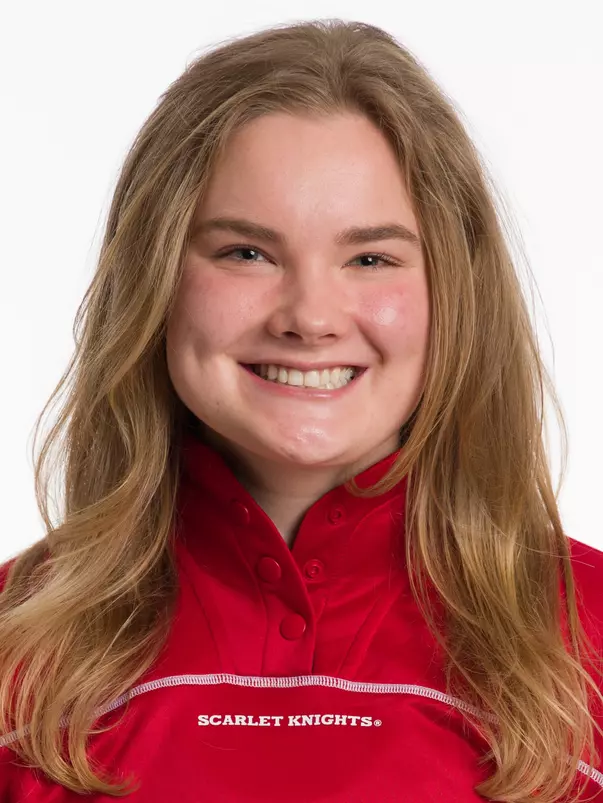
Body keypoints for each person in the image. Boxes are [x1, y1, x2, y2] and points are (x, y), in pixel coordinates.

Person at [0, 18, 602, 803]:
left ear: (455, 291)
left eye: (370, 258)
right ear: (153, 282)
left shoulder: (587, 634)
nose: (309, 316)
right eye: (245, 252)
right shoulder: (15, 646)